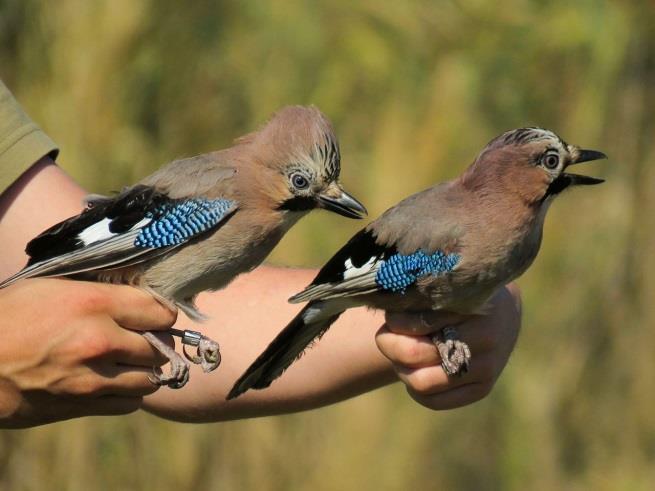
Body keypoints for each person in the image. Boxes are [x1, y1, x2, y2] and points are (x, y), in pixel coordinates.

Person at [0, 80, 521, 428]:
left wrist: (466, 293)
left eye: (325, 186)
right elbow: (118, 241)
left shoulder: (264, 224)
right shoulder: (222, 194)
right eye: (301, 182)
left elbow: (220, 311)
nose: (325, 198)